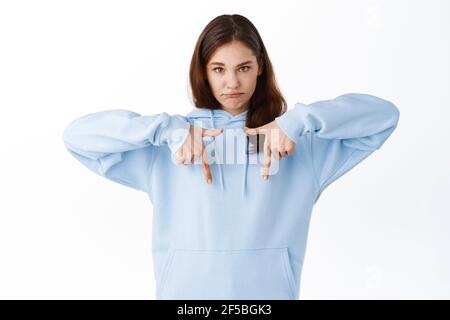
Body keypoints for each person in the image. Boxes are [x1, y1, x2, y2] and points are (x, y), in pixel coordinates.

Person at [62, 14, 400, 300]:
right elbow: (78, 137)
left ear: (260, 68)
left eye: (243, 67)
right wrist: (166, 129)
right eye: (219, 69)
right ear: (204, 71)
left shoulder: (297, 145)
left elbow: (384, 116)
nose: (232, 82)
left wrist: (299, 120)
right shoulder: (171, 147)